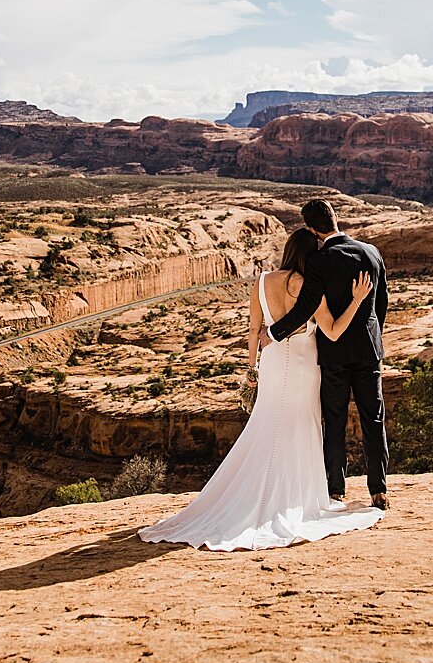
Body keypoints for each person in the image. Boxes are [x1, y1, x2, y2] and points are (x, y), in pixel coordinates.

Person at [139, 225, 383, 550]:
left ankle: (251, 498)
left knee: (267, 425)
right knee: (300, 427)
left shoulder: (262, 281)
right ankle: (294, 499)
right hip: (303, 367)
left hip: (270, 363)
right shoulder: (310, 285)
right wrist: (356, 301)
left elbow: (254, 330)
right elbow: (334, 332)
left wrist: (251, 369)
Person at [261, 199, 391, 510]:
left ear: (310, 228)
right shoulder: (370, 252)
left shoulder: (319, 261)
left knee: (335, 420)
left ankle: (336, 489)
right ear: (334, 219)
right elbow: (382, 301)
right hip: (368, 350)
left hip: (333, 353)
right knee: (374, 418)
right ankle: (379, 490)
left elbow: (305, 309)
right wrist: (374, 337)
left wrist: (273, 334)